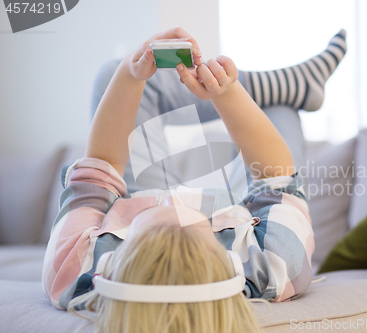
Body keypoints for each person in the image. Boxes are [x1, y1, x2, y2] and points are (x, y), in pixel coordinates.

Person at [41, 27, 347, 333]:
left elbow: (102, 166)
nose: (174, 204)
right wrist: (227, 93)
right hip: (238, 210)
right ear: (227, 261)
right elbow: (276, 177)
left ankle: (290, 84)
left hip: (136, 194)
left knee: (115, 72)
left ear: (115, 260)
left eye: (153, 220)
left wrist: (128, 75)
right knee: (281, 112)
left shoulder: (74, 272)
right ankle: (291, 86)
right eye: (192, 222)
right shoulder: (276, 266)